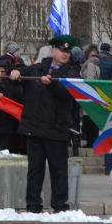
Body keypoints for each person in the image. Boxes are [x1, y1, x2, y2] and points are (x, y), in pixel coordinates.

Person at [10, 33, 80, 213]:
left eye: (68, 51)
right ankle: (33, 205)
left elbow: (68, 93)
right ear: (53, 51)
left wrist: (53, 84)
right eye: (62, 50)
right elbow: (24, 73)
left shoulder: (71, 71)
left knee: (59, 170)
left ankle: (60, 206)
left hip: (56, 130)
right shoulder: (39, 68)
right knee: (35, 170)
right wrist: (16, 71)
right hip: (34, 130)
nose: (66, 54)